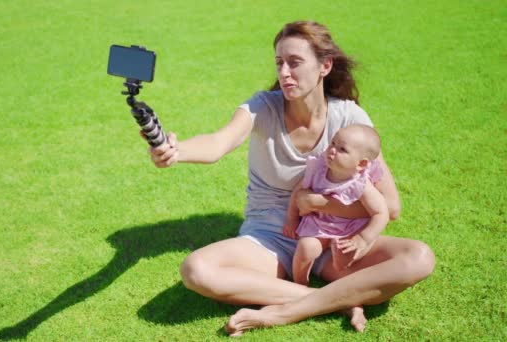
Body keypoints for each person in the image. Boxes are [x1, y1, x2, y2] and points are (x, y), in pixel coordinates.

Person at [147, 20, 435, 336]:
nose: (284, 72)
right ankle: (337, 300)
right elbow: (218, 143)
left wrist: (315, 203)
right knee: (197, 270)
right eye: (279, 62)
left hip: (334, 241)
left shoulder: (350, 119)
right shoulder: (262, 107)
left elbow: (390, 207)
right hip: (271, 238)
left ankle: (285, 312)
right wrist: (177, 150)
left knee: (418, 257)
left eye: (295, 62)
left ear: (325, 66)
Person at [283, 124, 389, 288]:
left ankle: (340, 274)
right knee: (306, 247)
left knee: (344, 256)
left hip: (349, 230)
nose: (332, 150)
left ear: (361, 163)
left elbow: (381, 213)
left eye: (342, 149)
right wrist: (291, 219)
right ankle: (300, 283)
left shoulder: (361, 185)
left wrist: (363, 238)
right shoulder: (318, 170)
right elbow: (298, 193)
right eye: (333, 143)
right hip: (318, 225)